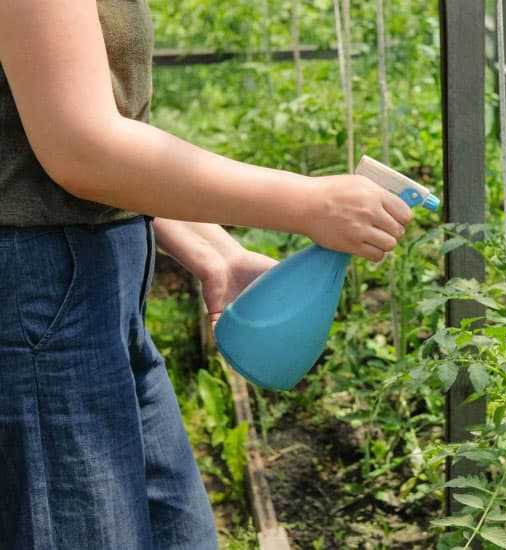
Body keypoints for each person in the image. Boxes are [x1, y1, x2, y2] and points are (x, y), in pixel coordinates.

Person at [0, 1, 413, 548]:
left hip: (98, 297)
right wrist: (308, 201)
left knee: (179, 533)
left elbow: (87, 120)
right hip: (41, 307)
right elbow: (81, 147)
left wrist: (214, 251)